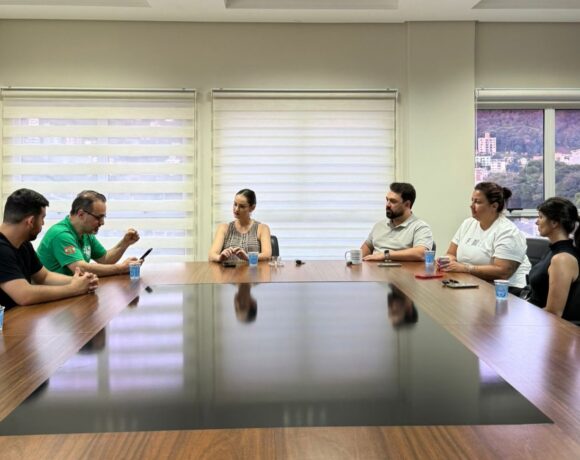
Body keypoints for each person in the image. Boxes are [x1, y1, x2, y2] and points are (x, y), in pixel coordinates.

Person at [0, 188, 98, 309]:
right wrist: (73, 288)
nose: (43, 223)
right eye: (42, 218)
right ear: (31, 221)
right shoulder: (1, 249)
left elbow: (44, 277)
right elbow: (24, 295)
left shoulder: (23, 244)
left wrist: (81, 281)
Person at [439, 182, 530, 293]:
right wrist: (446, 261)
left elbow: (502, 272)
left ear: (494, 206)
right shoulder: (468, 223)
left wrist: (465, 268)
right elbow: (451, 253)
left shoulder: (508, 232)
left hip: (506, 291)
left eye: (477, 202)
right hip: (472, 284)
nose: (471, 206)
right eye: (472, 201)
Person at [37, 190, 141, 276]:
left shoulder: (86, 233)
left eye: (103, 217)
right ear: (81, 214)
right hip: (51, 293)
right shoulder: (61, 234)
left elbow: (105, 259)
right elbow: (80, 268)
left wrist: (124, 243)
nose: (102, 223)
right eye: (98, 217)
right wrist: (121, 268)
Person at [527, 197, 580, 321]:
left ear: (554, 223)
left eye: (541, 217)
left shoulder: (562, 259)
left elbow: (554, 313)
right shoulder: (552, 250)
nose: (536, 222)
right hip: (535, 316)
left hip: (545, 325)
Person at [361, 182, 433, 262]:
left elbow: (421, 253)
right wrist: (355, 259)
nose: (387, 205)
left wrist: (385, 255)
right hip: (374, 268)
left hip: (401, 269)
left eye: (393, 201)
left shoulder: (420, 227)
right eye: (387, 200)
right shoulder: (379, 225)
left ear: (407, 204)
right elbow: (367, 246)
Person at [209, 189, 272, 263]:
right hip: (229, 270)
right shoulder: (223, 228)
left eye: (242, 206)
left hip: (253, 270)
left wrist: (248, 257)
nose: (236, 209)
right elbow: (211, 255)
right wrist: (220, 257)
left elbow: (267, 255)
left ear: (252, 208)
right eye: (235, 204)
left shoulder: (262, 228)